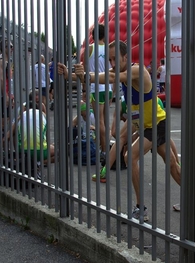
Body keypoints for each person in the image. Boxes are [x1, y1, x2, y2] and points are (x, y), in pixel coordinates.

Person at [57, 40, 181, 222]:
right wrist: (71, 75)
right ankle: (188, 198)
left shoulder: (137, 71)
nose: (112, 64)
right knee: (171, 164)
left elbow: (112, 78)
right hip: (144, 124)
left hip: (156, 124)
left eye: (115, 59)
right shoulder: (118, 71)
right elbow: (99, 76)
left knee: (130, 156)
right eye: (110, 60)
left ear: (126, 57)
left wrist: (87, 77)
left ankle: (140, 209)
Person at [84, 24, 114, 180]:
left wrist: (84, 89)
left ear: (93, 35)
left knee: (100, 121)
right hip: (107, 88)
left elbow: (83, 71)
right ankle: (105, 148)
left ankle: (104, 150)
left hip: (96, 88)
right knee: (104, 121)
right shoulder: (109, 50)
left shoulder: (90, 49)